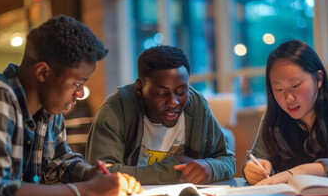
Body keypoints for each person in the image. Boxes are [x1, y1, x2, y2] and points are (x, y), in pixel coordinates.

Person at [0, 15, 141, 196]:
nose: (80, 93)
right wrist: (88, 191)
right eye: (77, 83)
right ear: (43, 72)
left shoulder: (50, 111)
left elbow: (58, 162)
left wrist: (89, 174)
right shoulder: (0, 96)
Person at [86, 45, 236, 185]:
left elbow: (227, 160)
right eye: (161, 94)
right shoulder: (116, 109)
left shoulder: (197, 105)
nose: (173, 103)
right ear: (140, 88)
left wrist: (210, 167)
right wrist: (172, 170)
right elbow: (101, 173)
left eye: (182, 91)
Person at [242, 39, 328, 185]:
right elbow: (256, 157)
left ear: (319, 78)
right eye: (279, 89)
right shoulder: (275, 116)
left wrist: (301, 172)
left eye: (295, 85)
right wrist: (252, 169)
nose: (288, 98)